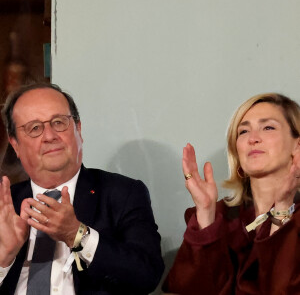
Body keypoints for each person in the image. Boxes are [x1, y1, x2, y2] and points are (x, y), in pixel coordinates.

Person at [0, 82, 164, 295]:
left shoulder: (123, 194)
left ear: (78, 129)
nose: (49, 136)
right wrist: (4, 258)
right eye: (35, 128)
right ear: (15, 145)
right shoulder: (5, 206)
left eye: (59, 122)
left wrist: (77, 235)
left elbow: (146, 275)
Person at [163, 93, 300, 295]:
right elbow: (188, 289)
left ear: (297, 145)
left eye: (268, 127)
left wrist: (281, 209)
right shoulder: (220, 217)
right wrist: (206, 213)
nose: (253, 138)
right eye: (243, 131)